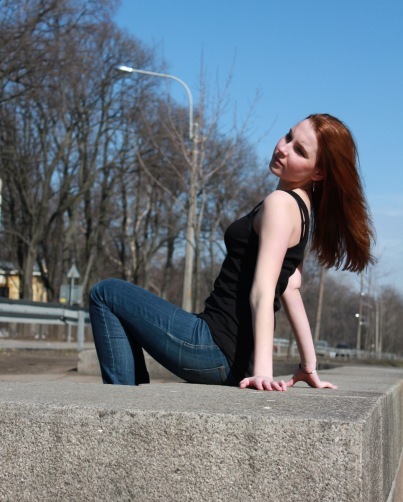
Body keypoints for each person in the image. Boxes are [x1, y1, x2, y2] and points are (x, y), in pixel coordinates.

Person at [89, 113, 374, 391]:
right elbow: (291, 287)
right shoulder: (302, 210)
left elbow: (263, 291)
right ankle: (128, 399)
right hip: (228, 353)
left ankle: (122, 403)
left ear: (318, 172)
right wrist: (308, 365)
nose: (283, 148)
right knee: (120, 306)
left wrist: (263, 372)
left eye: (299, 150)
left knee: (106, 293)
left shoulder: (280, 204)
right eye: (288, 136)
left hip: (212, 346)